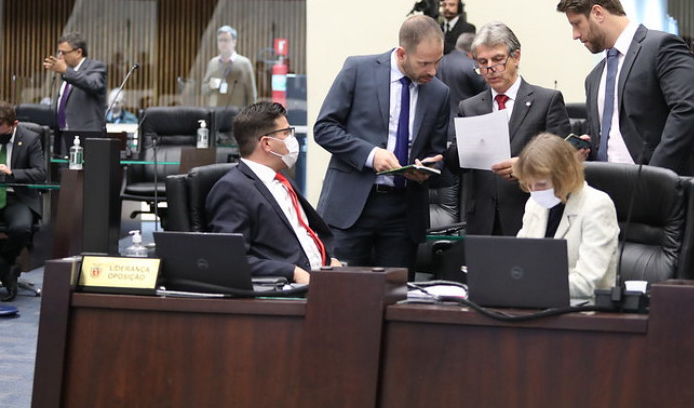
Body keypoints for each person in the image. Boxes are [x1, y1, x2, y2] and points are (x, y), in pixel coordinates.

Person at [314, 15, 450, 278]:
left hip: (403, 212)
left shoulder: (439, 93)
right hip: (351, 207)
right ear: (402, 53)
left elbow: (438, 151)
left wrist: (429, 167)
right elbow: (324, 128)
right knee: (340, 294)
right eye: (424, 63)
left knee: (396, 299)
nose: (432, 71)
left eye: (438, 61)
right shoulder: (357, 69)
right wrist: (370, 155)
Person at [556, 0, 694, 175]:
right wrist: (589, 150)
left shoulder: (662, 47)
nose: (575, 35)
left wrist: (654, 178)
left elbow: (688, 111)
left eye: (577, 24)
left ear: (598, 13)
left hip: (662, 192)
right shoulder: (594, 78)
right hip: (607, 193)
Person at [445, 21, 572, 236]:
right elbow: (456, 165)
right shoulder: (469, 106)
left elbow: (564, 160)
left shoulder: (546, 101)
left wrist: (526, 166)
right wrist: (453, 151)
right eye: (483, 62)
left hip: (531, 215)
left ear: (516, 57)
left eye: (497, 60)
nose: (490, 69)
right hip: (482, 220)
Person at [206, 101, 339, 283]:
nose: (292, 139)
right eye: (286, 133)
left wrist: (329, 260)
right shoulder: (232, 189)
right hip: (286, 291)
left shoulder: (282, 181)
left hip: (323, 279)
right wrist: (292, 272)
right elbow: (230, 259)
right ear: (267, 143)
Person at [513, 133, 619, 299]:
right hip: (535, 305)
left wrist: (528, 283)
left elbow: (587, 283)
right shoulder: (534, 204)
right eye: (528, 185)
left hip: (581, 312)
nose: (534, 192)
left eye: (541, 184)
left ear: (566, 174)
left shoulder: (597, 205)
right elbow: (519, 262)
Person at [0, 102, 46, 302]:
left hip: (18, 196)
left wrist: (12, 173)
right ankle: (6, 272)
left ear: (14, 124)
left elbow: (40, 173)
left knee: (21, 228)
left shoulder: (30, 139)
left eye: (1, 133)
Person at [43, 31, 108, 133]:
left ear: (78, 52)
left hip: (85, 134)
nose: (60, 57)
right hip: (62, 133)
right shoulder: (67, 73)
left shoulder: (95, 67)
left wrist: (65, 71)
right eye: (59, 52)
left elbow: (93, 84)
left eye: (64, 53)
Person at [435, 32, 486, 137]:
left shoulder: (437, 63)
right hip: (465, 128)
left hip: (437, 129)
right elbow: (487, 96)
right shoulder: (473, 67)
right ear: (474, 51)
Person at [202, 25, 258, 108]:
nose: (223, 43)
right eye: (220, 40)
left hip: (236, 113)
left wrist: (250, 115)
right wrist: (210, 85)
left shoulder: (244, 63)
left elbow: (251, 93)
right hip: (215, 113)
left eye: (226, 40)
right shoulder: (213, 63)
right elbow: (204, 90)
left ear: (234, 42)